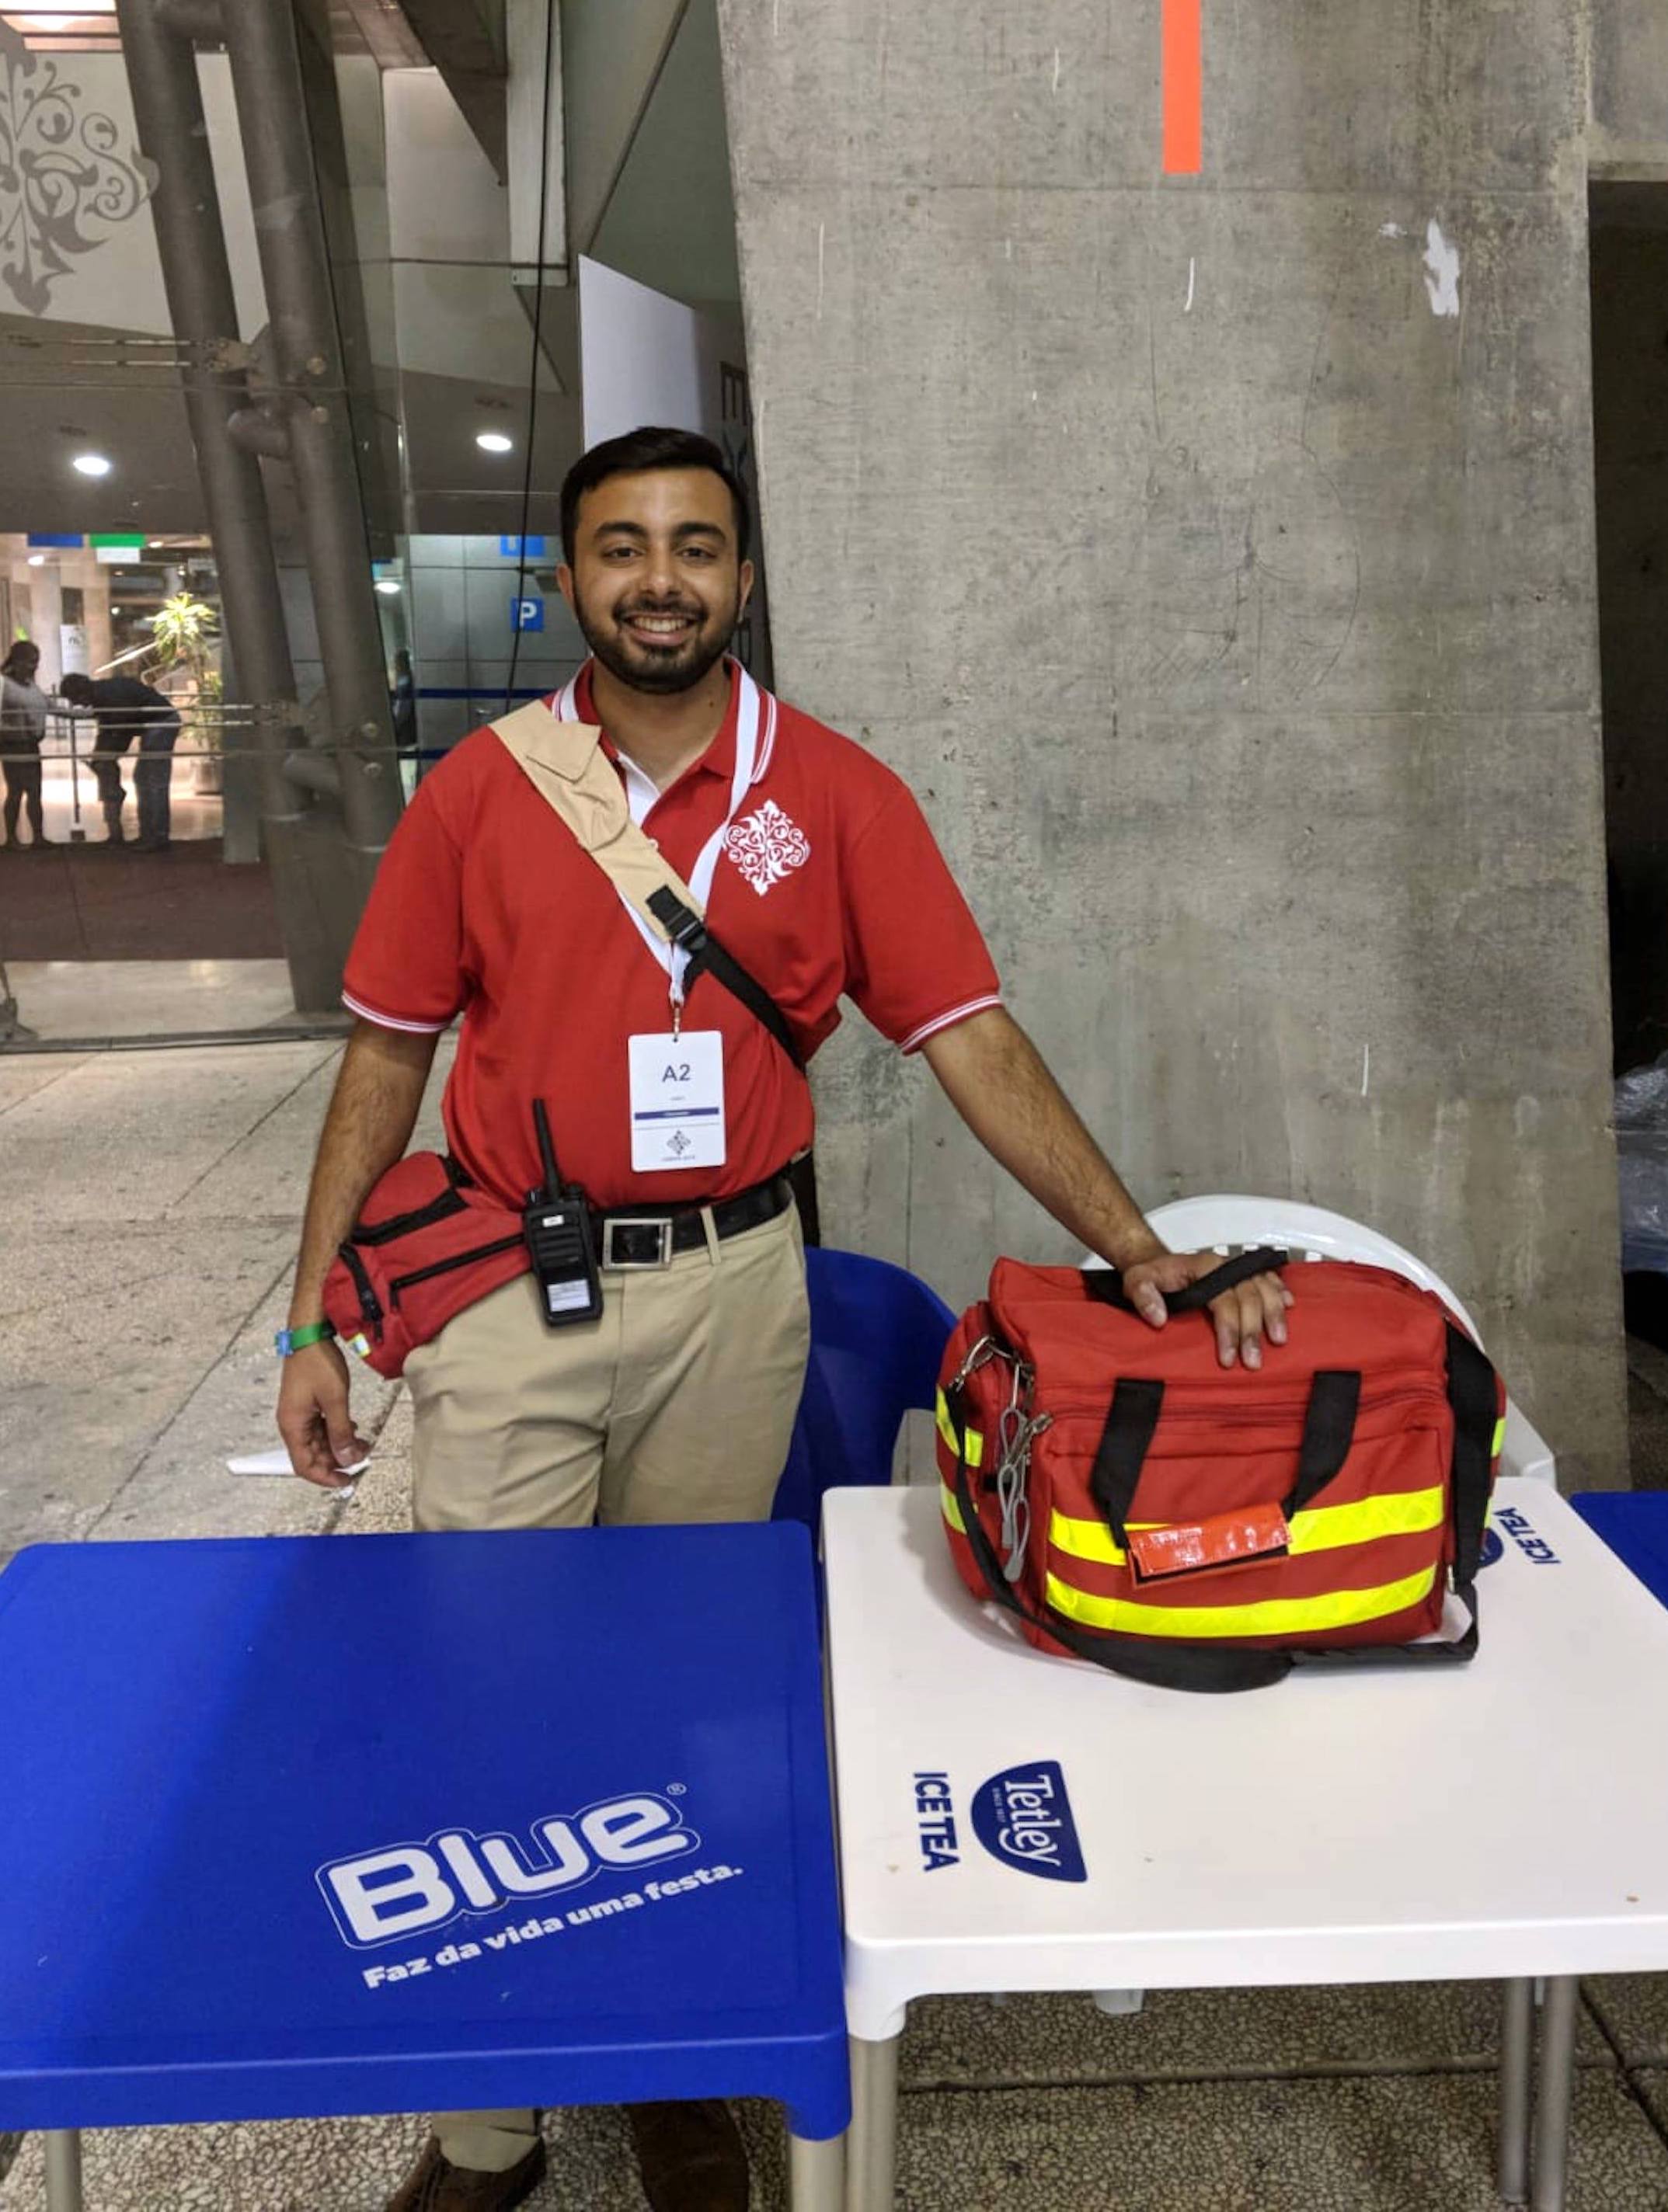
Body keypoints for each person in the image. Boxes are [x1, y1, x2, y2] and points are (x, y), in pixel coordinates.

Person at [277, 426, 1290, 2212]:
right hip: (516, 1291)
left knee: (675, 1693)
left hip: (735, 1290)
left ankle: (666, 2055)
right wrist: (310, 1318)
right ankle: (490, 2118)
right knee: (495, 1694)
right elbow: (383, 1049)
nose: (657, 576)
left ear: (741, 576)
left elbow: (964, 1031)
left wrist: (1129, 1237)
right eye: (618, 545)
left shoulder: (831, 790)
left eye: (692, 544)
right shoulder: (481, 793)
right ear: (569, 576)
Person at [57, 670, 182, 849]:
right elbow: (114, 727)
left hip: (160, 723)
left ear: (81, 693)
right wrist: (104, 754)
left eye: (77, 701)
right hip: (158, 722)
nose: (80, 706)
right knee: (144, 779)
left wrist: (105, 755)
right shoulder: (104, 694)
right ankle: (150, 834)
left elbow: (121, 727)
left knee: (153, 782)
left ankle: (156, 837)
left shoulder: (108, 698)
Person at [1, 641, 51, 848]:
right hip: (12, 744)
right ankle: (11, 838)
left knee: (35, 792)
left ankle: (38, 837)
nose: (35, 666)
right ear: (18, 661)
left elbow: (49, 706)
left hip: (31, 745)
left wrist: (85, 713)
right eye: (31, 662)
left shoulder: (32, 686)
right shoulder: (3, 683)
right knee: (16, 792)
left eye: (36, 662)